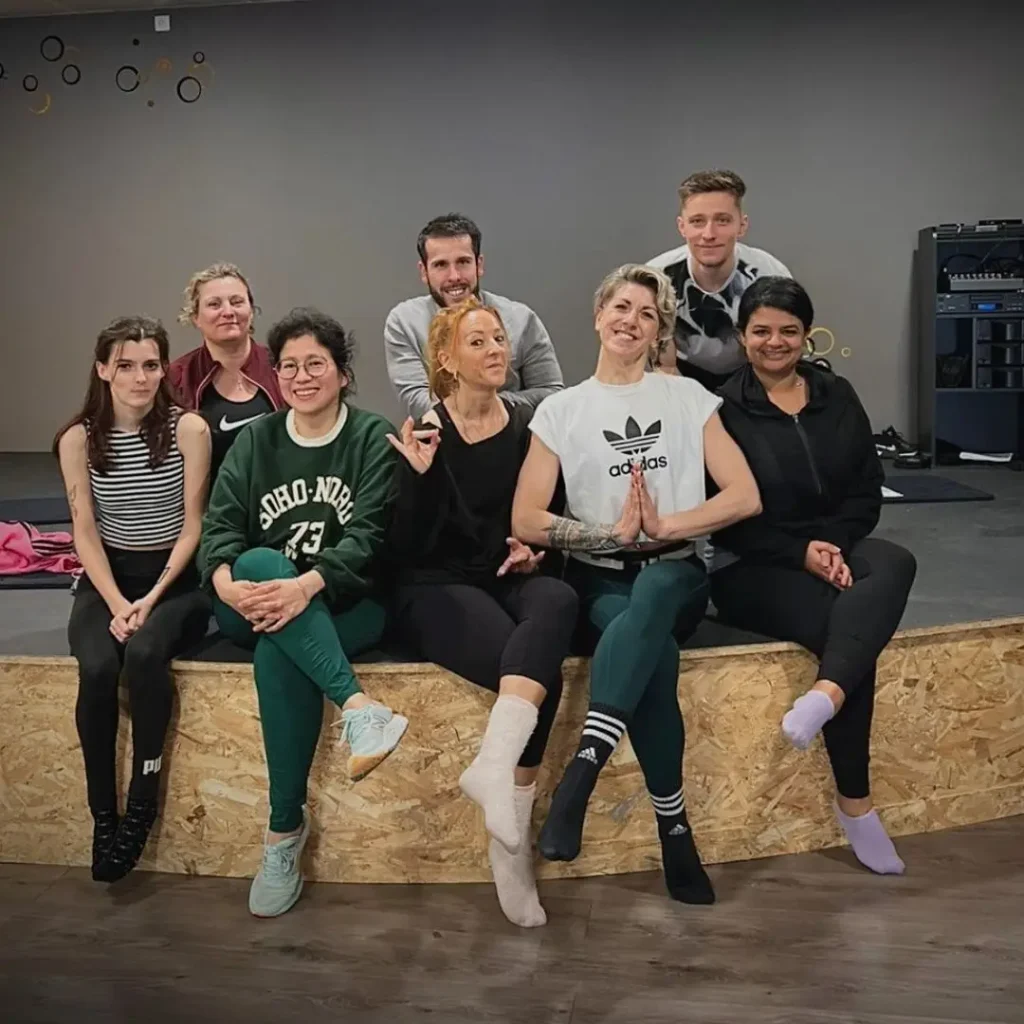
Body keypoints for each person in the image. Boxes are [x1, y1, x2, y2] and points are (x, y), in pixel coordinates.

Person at [512, 264, 761, 905]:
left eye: (647, 315)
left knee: (655, 599)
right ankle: (675, 829)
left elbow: (744, 495)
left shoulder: (687, 399)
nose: (631, 320)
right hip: (601, 583)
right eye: (621, 307)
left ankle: (581, 775)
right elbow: (526, 517)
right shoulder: (561, 410)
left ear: (659, 333)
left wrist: (665, 524)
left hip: (678, 573)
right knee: (655, 651)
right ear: (598, 316)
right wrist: (606, 536)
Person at [198, 307, 409, 918]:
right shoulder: (256, 439)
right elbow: (220, 527)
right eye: (288, 365)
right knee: (261, 560)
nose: (301, 376)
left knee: (278, 650)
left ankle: (283, 833)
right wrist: (224, 583)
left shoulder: (371, 436)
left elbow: (368, 535)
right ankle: (358, 706)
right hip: (251, 599)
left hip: (346, 605)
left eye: (315, 363)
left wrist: (308, 586)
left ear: (342, 373)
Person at [708, 276, 916, 876]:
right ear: (742, 336)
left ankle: (822, 699)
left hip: (837, 548)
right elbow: (726, 520)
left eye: (789, 331)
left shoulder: (835, 393)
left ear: (807, 334)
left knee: (897, 561)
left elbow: (864, 492)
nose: (776, 343)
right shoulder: (721, 409)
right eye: (762, 331)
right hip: (753, 566)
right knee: (849, 636)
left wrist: (836, 545)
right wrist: (801, 551)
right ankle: (858, 808)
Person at [387, 296, 578, 928]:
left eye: (499, 339)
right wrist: (415, 479)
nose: (497, 350)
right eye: (479, 342)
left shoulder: (528, 430)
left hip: (509, 576)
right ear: (444, 359)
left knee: (559, 600)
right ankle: (512, 849)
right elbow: (401, 550)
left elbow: (554, 514)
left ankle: (495, 774)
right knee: (529, 665)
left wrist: (534, 549)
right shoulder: (424, 436)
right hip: (435, 585)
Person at [54, 316, 212, 884]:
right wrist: (119, 602)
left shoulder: (188, 429)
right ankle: (104, 812)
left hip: (174, 579)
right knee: (97, 666)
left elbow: (193, 528)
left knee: (145, 655)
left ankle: (142, 798)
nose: (140, 377)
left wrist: (147, 601)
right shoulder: (77, 439)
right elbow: (84, 532)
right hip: (109, 579)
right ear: (103, 370)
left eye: (150, 365)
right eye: (125, 365)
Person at [384, 212, 564, 419]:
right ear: (423, 271)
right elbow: (416, 400)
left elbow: (552, 393)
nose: (454, 276)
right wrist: (474, 407)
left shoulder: (522, 319)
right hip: (442, 443)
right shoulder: (404, 322)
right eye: (441, 265)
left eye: (463, 262)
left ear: (479, 265)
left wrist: (491, 404)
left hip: (516, 442)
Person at [648, 169, 791, 391]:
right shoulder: (656, 278)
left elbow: (781, 352)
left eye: (722, 220)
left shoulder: (770, 274)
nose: (709, 234)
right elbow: (662, 365)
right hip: (680, 376)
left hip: (756, 375)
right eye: (697, 221)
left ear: (742, 225)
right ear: (681, 226)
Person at [169, 262, 284, 480]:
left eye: (237, 302)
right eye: (214, 304)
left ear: (251, 310)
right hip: (211, 509)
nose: (228, 312)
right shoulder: (176, 377)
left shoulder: (282, 366)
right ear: (195, 317)